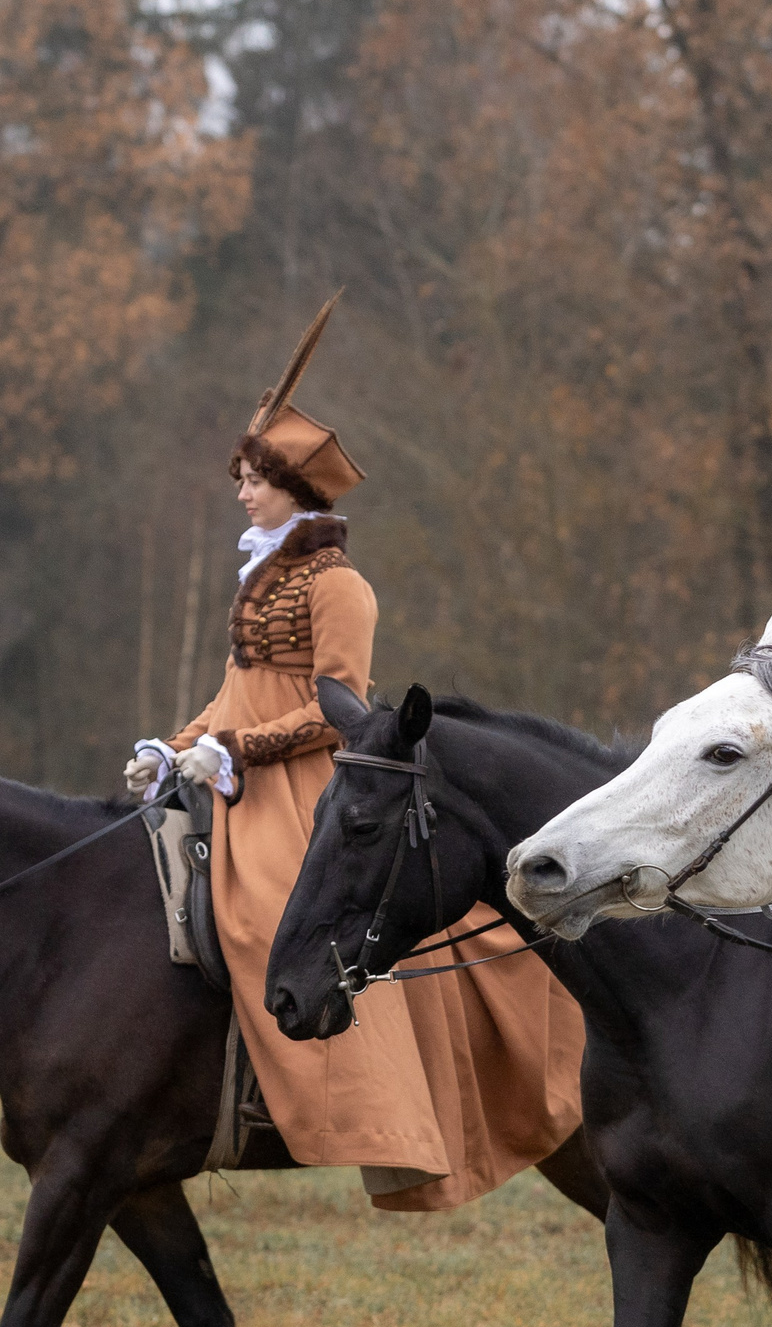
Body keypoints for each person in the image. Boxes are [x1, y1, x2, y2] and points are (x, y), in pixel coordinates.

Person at [121, 298, 583, 1212]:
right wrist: (179, 745)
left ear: (296, 487)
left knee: (269, 918)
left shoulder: (340, 586)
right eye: (242, 477)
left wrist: (236, 749)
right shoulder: (262, 572)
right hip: (230, 766)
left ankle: (335, 1096)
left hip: (301, 782)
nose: (243, 491)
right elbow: (236, 682)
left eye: (255, 477)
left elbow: (343, 714)